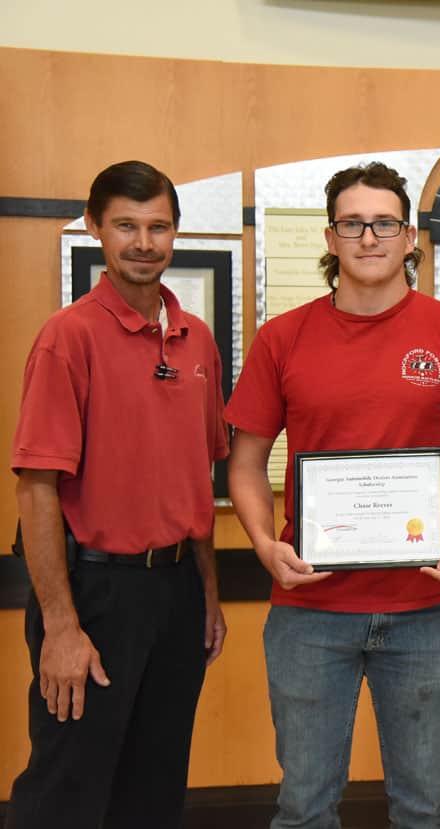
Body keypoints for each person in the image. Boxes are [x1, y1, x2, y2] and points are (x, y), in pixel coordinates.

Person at [225, 161, 440, 829]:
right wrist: (266, 545)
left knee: (424, 810)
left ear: (410, 237)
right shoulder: (283, 338)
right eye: (352, 223)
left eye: (384, 222)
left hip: (421, 607)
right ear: (330, 238)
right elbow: (244, 463)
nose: (369, 236)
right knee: (303, 809)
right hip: (308, 608)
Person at [6, 161, 228, 829]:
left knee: (154, 789)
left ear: (175, 233)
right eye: (126, 225)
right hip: (94, 597)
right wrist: (62, 627)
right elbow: (37, 487)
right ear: (96, 227)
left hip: (178, 595)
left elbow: (200, 480)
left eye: (158, 226)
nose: (143, 242)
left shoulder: (199, 342)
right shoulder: (67, 338)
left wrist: (210, 596)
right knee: (67, 790)